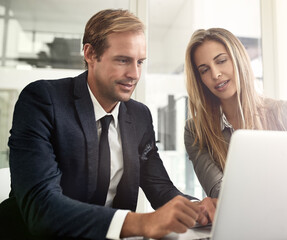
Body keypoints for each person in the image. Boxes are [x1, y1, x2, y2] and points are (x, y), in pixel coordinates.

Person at [0, 9, 216, 240]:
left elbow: (160, 186)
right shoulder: (43, 100)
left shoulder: (139, 116)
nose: (134, 74)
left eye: (140, 62)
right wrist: (142, 222)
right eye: (123, 60)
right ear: (90, 54)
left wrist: (196, 209)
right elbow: (42, 207)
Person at [184, 28, 287, 198]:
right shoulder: (196, 131)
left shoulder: (282, 112)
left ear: (238, 59)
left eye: (221, 61)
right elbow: (222, 194)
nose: (215, 74)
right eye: (204, 70)